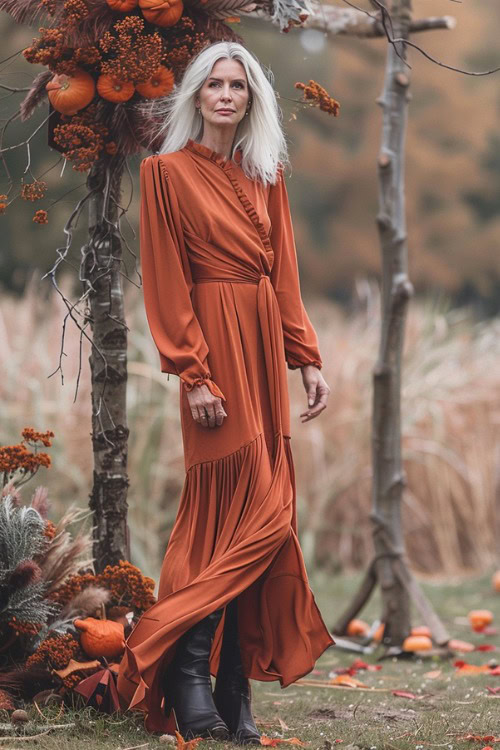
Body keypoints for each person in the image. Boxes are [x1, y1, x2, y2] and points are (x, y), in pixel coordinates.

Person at [116, 40, 334, 743]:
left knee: (268, 516)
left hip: (265, 352)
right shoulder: (164, 174)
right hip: (213, 354)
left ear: (252, 99)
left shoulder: (267, 173)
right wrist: (192, 372)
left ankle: (232, 688)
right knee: (245, 514)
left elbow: (286, 273)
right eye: (215, 84)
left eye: (239, 85)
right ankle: (181, 665)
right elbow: (166, 278)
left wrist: (307, 358)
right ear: (195, 95)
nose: (226, 95)